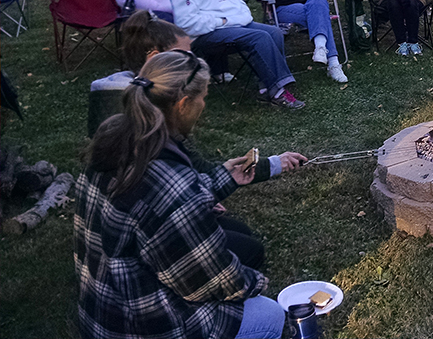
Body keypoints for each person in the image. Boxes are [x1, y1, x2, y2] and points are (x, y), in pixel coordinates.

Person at [75, 51, 306, 339]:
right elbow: (214, 281)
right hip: (142, 327)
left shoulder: (117, 141)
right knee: (268, 314)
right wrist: (255, 282)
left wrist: (227, 178)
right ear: (183, 104)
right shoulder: (171, 187)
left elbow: (161, 208)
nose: (204, 104)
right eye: (203, 97)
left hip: (103, 313)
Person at [171, 0, 305, 109]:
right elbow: (186, 22)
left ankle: (266, 86)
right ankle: (279, 91)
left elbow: (237, 0)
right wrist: (222, 21)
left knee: (274, 32)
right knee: (260, 37)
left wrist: (236, 19)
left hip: (233, 24)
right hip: (207, 33)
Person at [88, 11, 191, 137]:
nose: (192, 63)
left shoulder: (109, 94)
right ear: (154, 59)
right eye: (184, 57)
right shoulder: (148, 104)